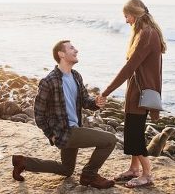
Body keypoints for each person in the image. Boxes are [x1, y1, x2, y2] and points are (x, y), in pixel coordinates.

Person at [11, 40, 117, 189]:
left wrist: (95, 103)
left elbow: (85, 101)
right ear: (61, 54)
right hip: (64, 132)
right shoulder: (49, 81)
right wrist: (51, 134)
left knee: (67, 170)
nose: (76, 50)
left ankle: (23, 162)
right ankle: (90, 174)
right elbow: (38, 113)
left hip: (73, 128)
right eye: (72, 48)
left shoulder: (76, 76)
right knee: (110, 140)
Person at [100, 0, 166, 188]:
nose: (126, 20)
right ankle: (134, 169)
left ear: (135, 14)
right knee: (132, 130)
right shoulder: (144, 33)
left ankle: (146, 174)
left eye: (127, 16)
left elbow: (129, 68)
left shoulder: (147, 35)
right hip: (136, 92)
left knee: (134, 135)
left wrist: (106, 92)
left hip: (140, 94)